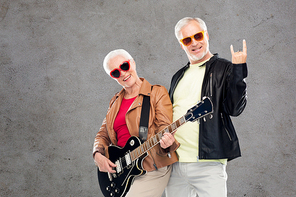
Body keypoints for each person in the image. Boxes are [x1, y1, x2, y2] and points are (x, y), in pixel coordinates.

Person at [165, 17, 248, 197]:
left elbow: (235, 109)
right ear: (181, 45)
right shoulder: (178, 76)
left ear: (207, 35)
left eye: (198, 35)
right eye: (187, 40)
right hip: (175, 163)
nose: (194, 43)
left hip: (208, 163)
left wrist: (239, 70)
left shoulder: (226, 68)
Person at [93, 49, 179, 197]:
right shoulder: (114, 101)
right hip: (122, 171)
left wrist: (167, 142)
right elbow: (103, 134)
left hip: (151, 167)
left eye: (124, 66)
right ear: (112, 77)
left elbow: (164, 126)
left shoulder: (156, 93)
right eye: (115, 72)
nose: (123, 73)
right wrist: (97, 154)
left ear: (132, 62)